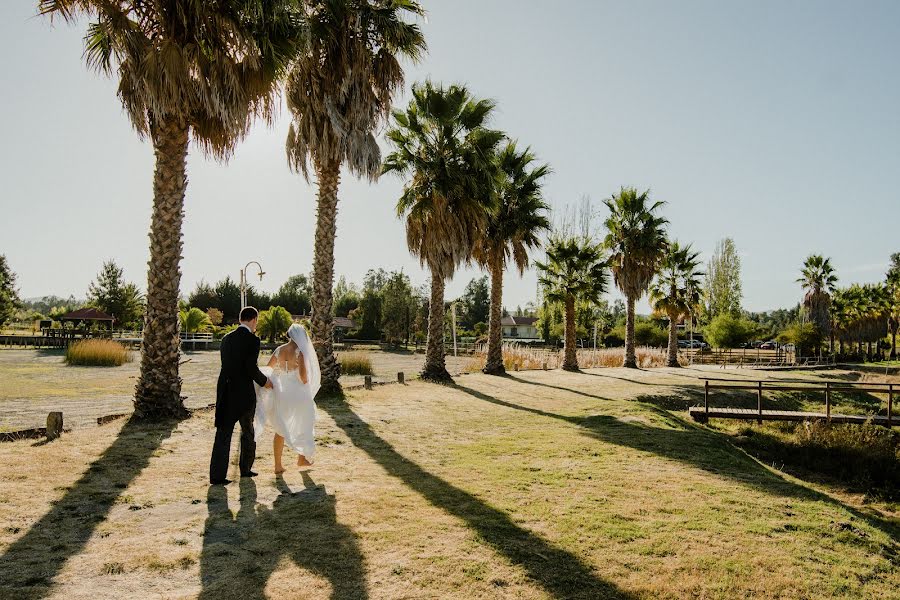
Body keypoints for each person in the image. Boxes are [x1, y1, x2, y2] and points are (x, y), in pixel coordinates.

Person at [209, 306, 272, 485]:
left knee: (223, 433)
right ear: (253, 320)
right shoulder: (252, 340)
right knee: (247, 432)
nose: (256, 325)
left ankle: (217, 476)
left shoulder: (226, 339)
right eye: (256, 322)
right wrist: (264, 381)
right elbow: (250, 367)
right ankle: (245, 469)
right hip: (244, 395)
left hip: (226, 391)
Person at [255, 323, 321, 474]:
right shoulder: (300, 352)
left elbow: (268, 369)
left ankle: (278, 465)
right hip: (298, 392)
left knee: (280, 428)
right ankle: (301, 458)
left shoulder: (279, 350)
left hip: (282, 391)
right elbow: (303, 378)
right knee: (304, 423)